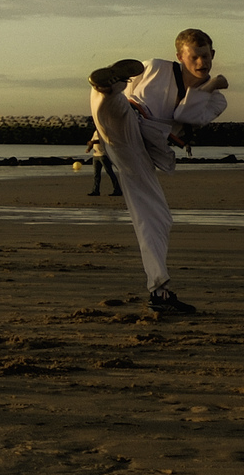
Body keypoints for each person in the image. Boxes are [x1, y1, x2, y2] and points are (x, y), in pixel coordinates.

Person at [88, 29, 228, 316]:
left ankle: (159, 290)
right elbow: (129, 103)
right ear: (180, 57)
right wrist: (96, 132)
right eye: (194, 57)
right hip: (125, 119)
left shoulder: (216, 99)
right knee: (119, 104)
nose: (202, 63)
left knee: (158, 216)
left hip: (142, 146)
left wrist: (210, 86)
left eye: (205, 56)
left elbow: (185, 116)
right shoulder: (153, 66)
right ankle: (107, 87)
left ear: (213, 55)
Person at [86, 124, 122, 197]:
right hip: (96, 155)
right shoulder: (95, 132)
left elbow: (102, 141)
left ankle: (117, 189)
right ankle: (95, 190)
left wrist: (92, 142)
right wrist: (89, 148)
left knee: (109, 172)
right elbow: (92, 141)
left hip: (104, 155)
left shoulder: (104, 132)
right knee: (96, 174)